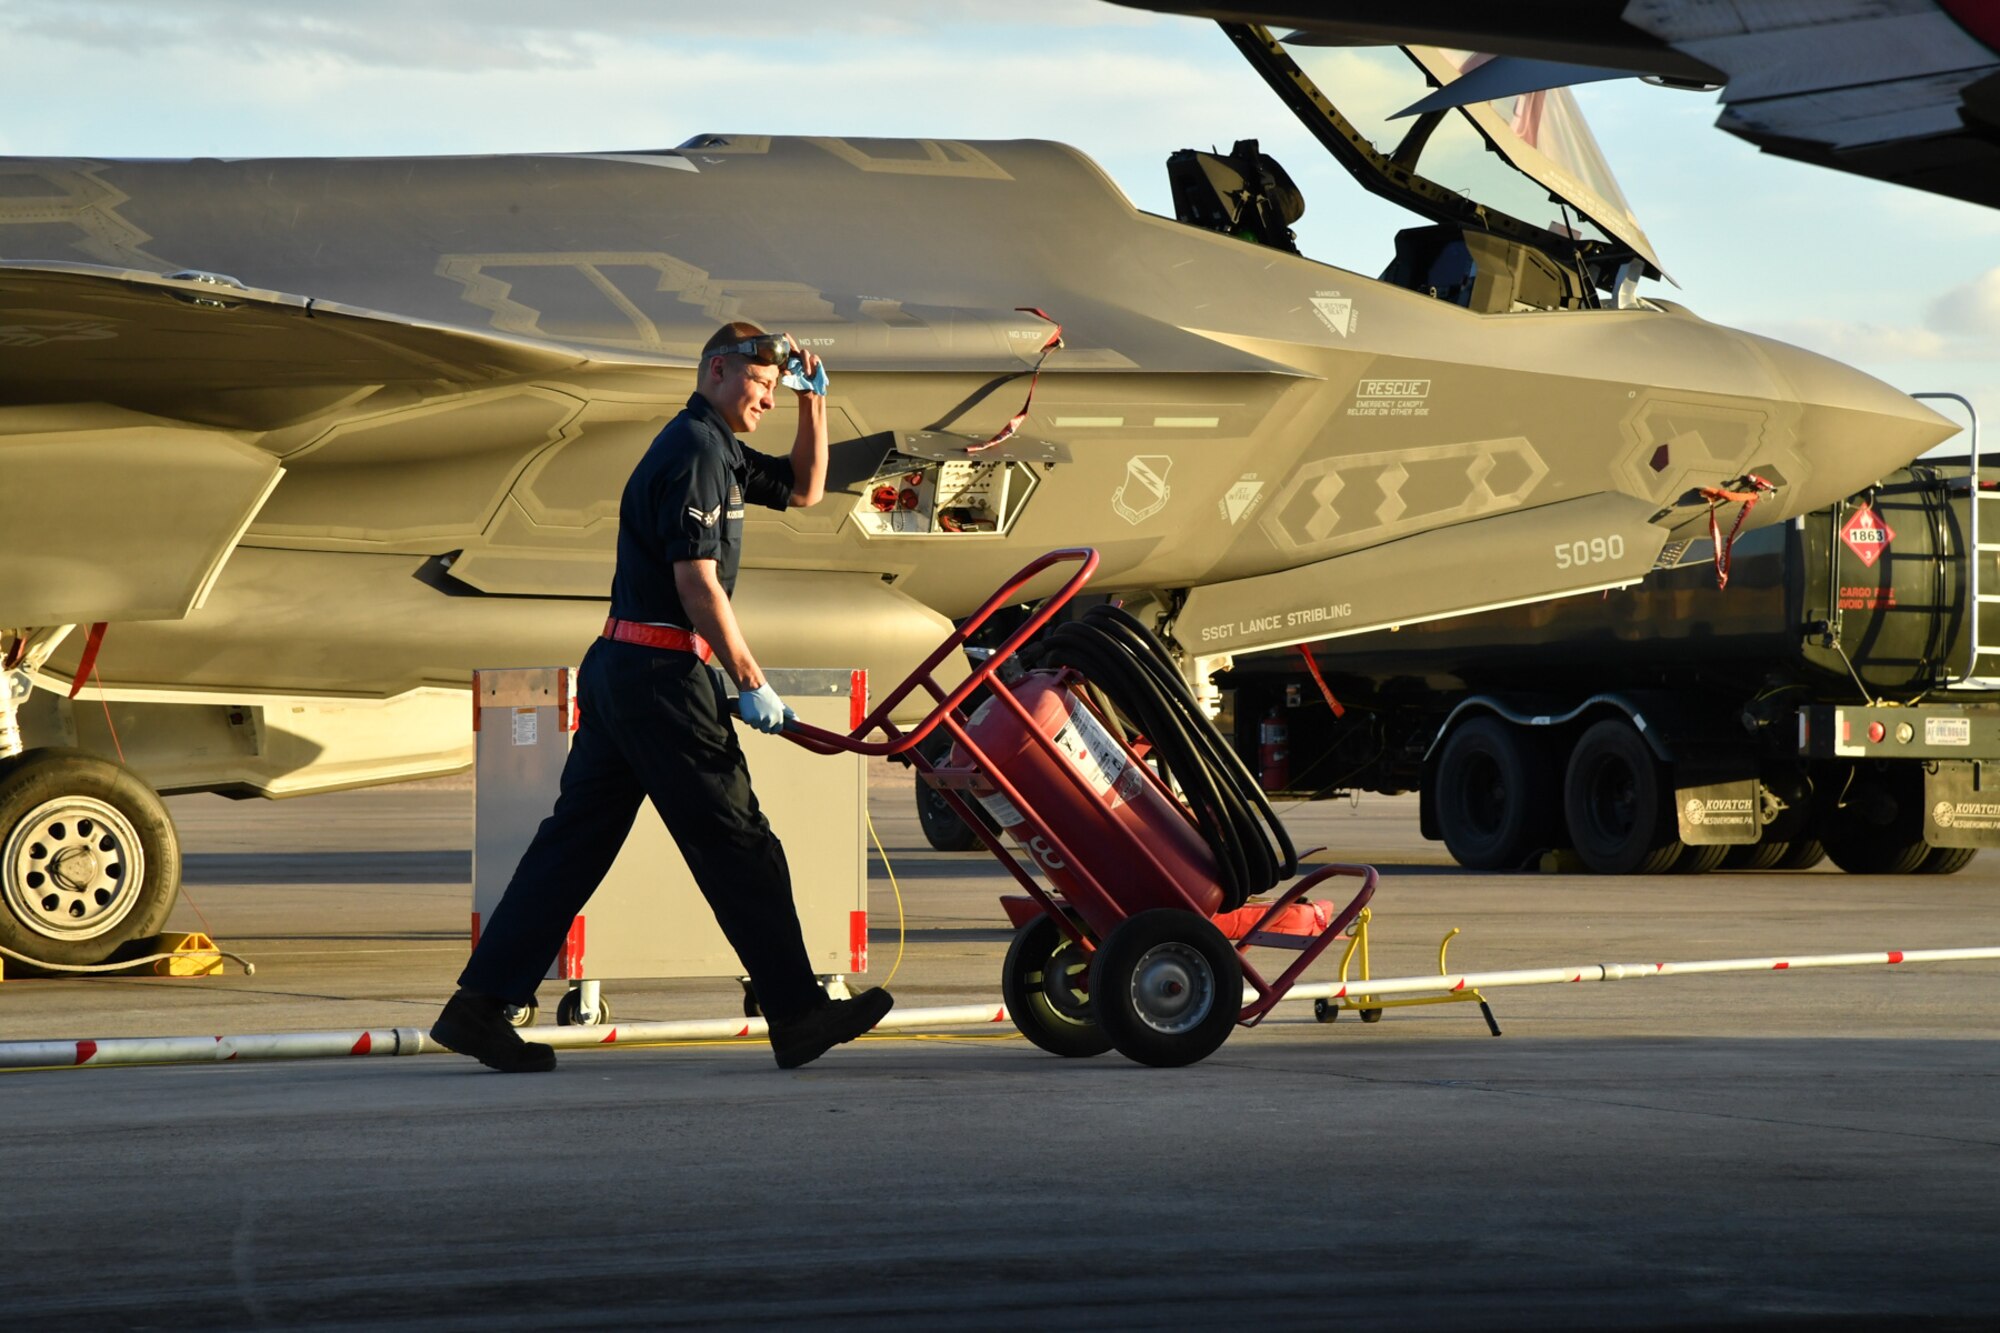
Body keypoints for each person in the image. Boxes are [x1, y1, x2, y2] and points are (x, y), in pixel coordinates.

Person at [431, 321, 894, 1072]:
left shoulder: (716, 448)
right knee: (741, 844)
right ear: (715, 370)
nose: (768, 400)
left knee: (572, 847)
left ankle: (478, 1008)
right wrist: (752, 679)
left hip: (628, 671)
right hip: (660, 678)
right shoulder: (694, 452)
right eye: (760, 384)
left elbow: (807, 490)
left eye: (779, 389)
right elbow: (696, 584)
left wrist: (816, 404)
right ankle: (799, 1012)